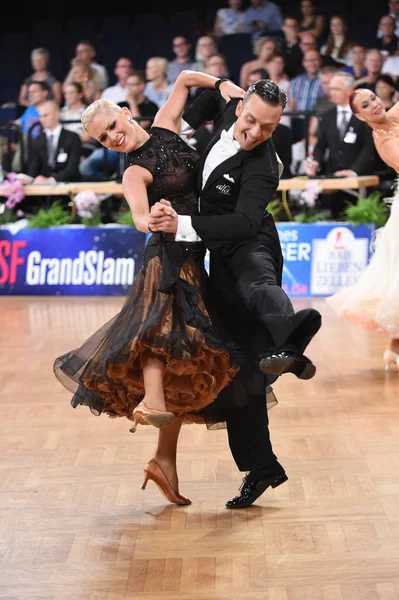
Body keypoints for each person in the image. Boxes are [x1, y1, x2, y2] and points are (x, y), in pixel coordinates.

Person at [53, 71, 250, 507]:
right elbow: (138, 219)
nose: (113, 137)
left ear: (125, 112)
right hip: (166, 256)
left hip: (195, 255)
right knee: (163, 337)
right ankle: (151, 403)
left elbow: (182, 79)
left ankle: (163, 460)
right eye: (104, 139)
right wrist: (153, 219)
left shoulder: (165, 124)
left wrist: (220, 85)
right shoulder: (134, 172)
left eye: (113, 127)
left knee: (184, 355)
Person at [149, 79, 323, 507]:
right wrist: (201, 108)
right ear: (240, 104)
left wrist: (183, 226)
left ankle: (292, 339)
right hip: (218, 260)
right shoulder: (230, 108)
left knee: (258, 285)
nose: (255, 133)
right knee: (241, 367)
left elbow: (246, 223)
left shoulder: (264, 165)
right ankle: (260, 467)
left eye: (268, 127)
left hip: (251, 245)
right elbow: (206, 98)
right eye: (250, 120)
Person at [326, 88, 399, 370]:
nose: (375, 105)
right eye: (367, 105)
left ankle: (394, 349)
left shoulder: (392, 117)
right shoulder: (386, 141)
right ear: (360, 115)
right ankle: (393, 348)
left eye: (374, 99)